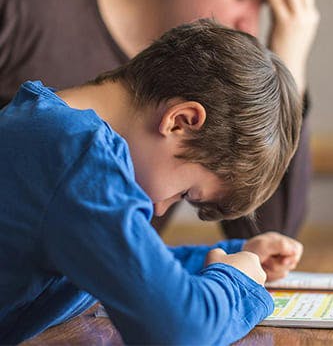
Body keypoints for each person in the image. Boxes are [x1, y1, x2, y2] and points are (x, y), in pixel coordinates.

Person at [0, 20, 303, 344]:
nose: (159, 209)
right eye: (184, 193)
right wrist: (236, 282)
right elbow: (179, 332)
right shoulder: (77, 156)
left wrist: (231, 254)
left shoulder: (48, 130)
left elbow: (129, 265)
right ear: (181, 122)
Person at [0, 0, 319, 239]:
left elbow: (264, 236)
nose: (249, 25)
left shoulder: (206, 86)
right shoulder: (15, 5)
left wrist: (288, 65)